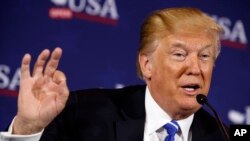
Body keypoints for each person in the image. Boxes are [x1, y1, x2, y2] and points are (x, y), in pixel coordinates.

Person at [0, 7, 227, 141]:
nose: (195, 68)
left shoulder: (222, 135)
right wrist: (27, 129)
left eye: (205, 57)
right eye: (179, 54)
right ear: (147, 64)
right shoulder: (84, 113)